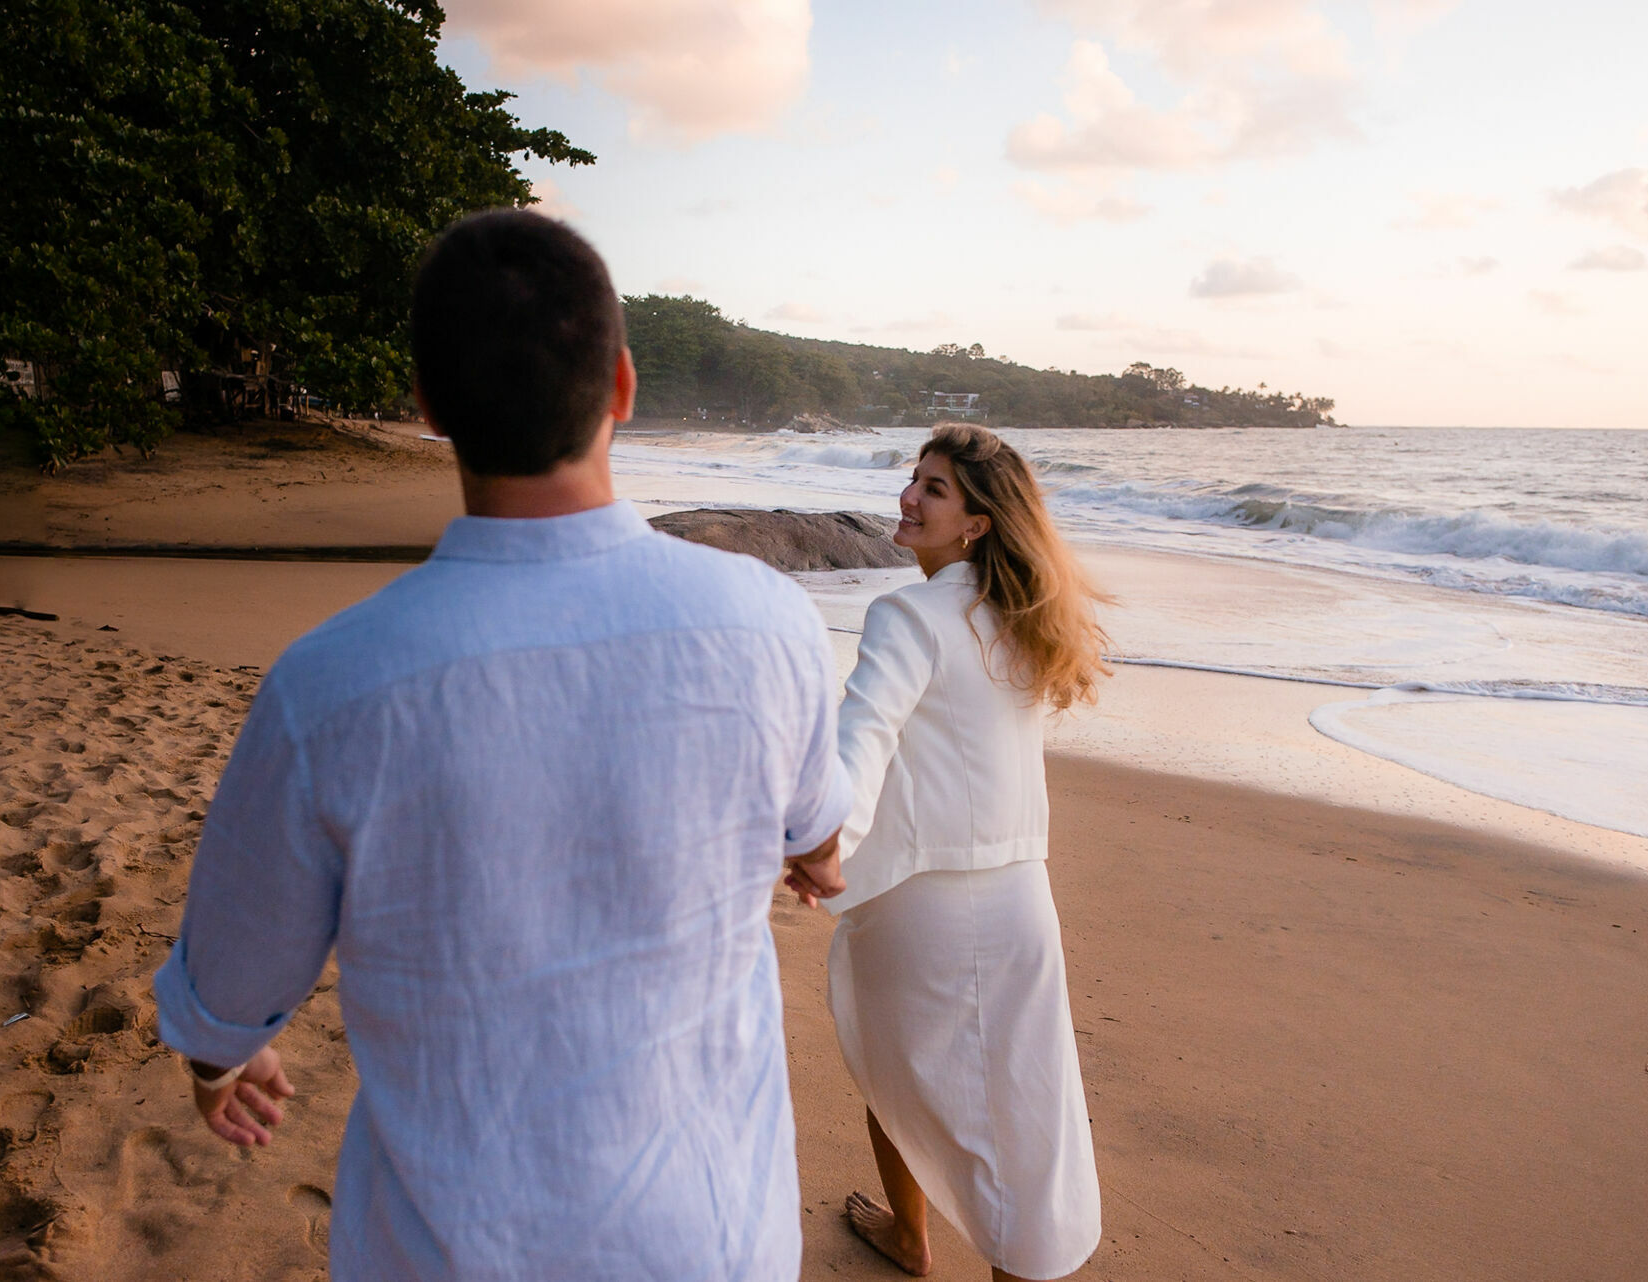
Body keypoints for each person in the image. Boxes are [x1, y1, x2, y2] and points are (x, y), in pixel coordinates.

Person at [150, 209, 851, 1281]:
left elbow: (231, 981)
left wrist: (218, 1063)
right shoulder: (769, 624)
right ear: (620, 387)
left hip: (448, 1250)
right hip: (713, 1243)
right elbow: (815, 829)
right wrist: (805, 847)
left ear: (429, 408)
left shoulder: (333, 683)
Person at [820, 423, 1109, 1281]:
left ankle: (930, 1240)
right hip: (1021, 895)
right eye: (914, 479)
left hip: (925, 902)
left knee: (911, 1085)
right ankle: (917, 1236)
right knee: (1023, 1116)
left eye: (935, 489)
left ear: (977, 522)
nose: (910, 496)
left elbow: (862, 736)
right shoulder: (1024, 614)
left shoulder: (907, 614)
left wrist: (823, 839)